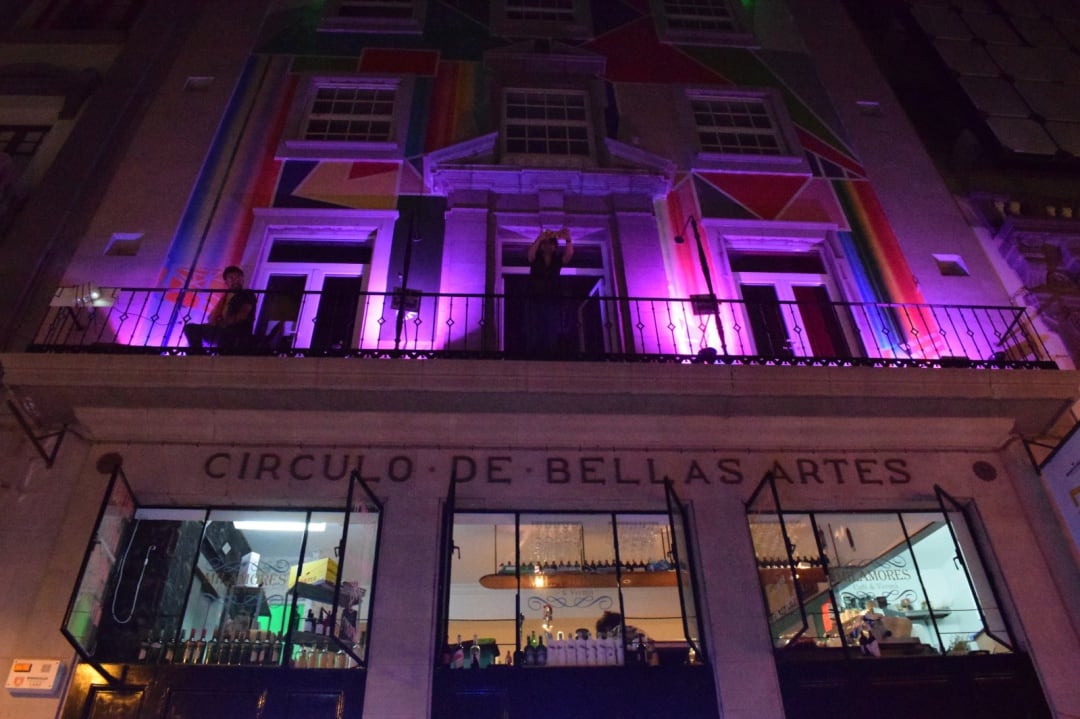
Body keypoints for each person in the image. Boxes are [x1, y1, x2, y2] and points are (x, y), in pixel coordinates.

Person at [524, 227, 573, 356]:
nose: (547, 246)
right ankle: (534, 352)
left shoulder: (557, 261)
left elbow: (568, 255)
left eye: (550, 244)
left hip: (552, 298)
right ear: (541, 247)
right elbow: (530, 254)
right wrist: (540, 238)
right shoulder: (536, 260)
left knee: (551, 325)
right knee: (535, 326)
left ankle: (551, 352)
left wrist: (568, 239)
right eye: (545, 244)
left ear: (555, 247)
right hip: (535, 297)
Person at [184, 265, 256, 352]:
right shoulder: (225, 297)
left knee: (225, 336)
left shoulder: (247, 294)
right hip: (220, 330)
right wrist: (215, 321)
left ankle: (200, 354)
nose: (236, 280)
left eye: (238, 277)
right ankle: (199, 354)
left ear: (242, 279)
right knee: (190, 328)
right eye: (232, 278)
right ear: (226, 282)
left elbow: (242, 315)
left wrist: (223, 323)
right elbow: (211, 318)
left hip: (235, 332)